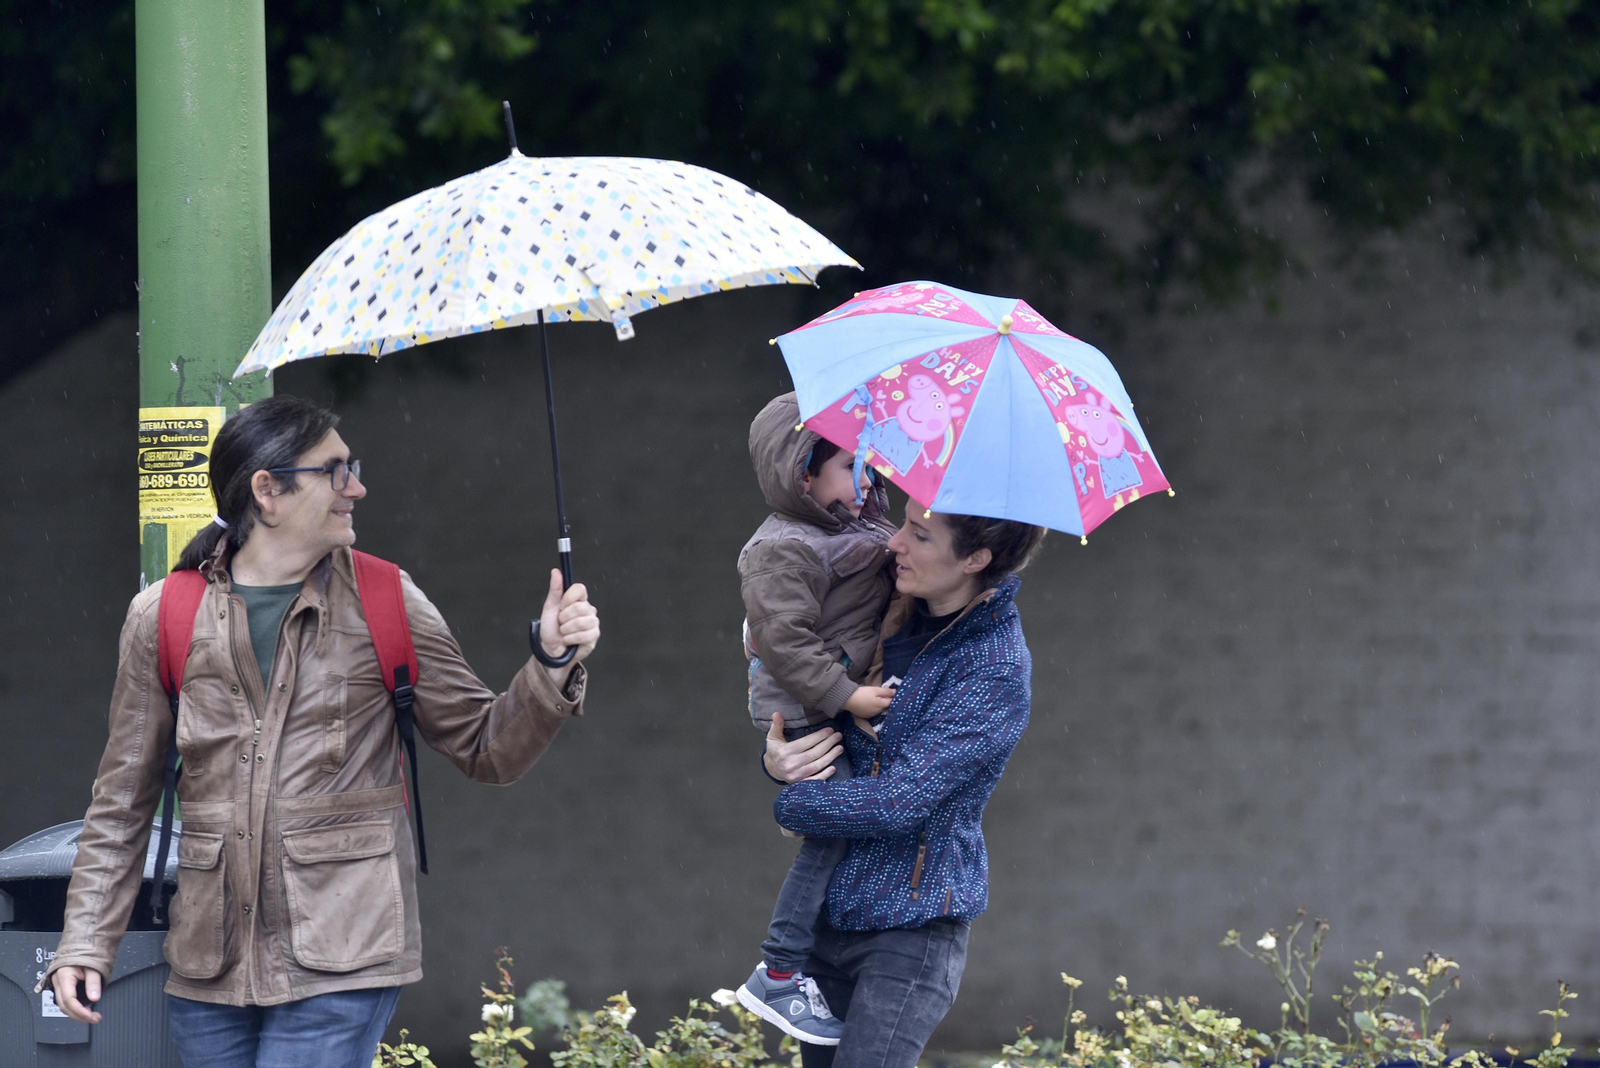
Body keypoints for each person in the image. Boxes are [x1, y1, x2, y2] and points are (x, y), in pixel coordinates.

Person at [38, 395, 600, 1068]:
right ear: (267, 491)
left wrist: (553, 662)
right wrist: (84, 943)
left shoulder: (388, 599)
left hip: (345, 957)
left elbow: (489, 747)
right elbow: (122, 800)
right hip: (206, 967)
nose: (356, 487)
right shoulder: (163, 614)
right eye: (335, 471)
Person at [761, 500, 1046, 1068]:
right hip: (826, 918)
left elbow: (900, 801)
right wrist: (780, 761)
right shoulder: (879, 612)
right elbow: (818, 722)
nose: (894, 543)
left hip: (910, 932)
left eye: (919, 535)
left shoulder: (994, 667)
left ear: (975, 559)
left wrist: (792, 803)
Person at [734, 393, 899, 1045]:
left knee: (839, 833)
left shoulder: (850, 528)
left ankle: (794, 963)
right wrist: (849, 697)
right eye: (852, 466)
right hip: (806, 712)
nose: (870, 480)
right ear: (805, 474)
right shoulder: (781, 548)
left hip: (826, 702)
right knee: (828, 833)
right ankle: (777, 971)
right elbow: (785, 642)